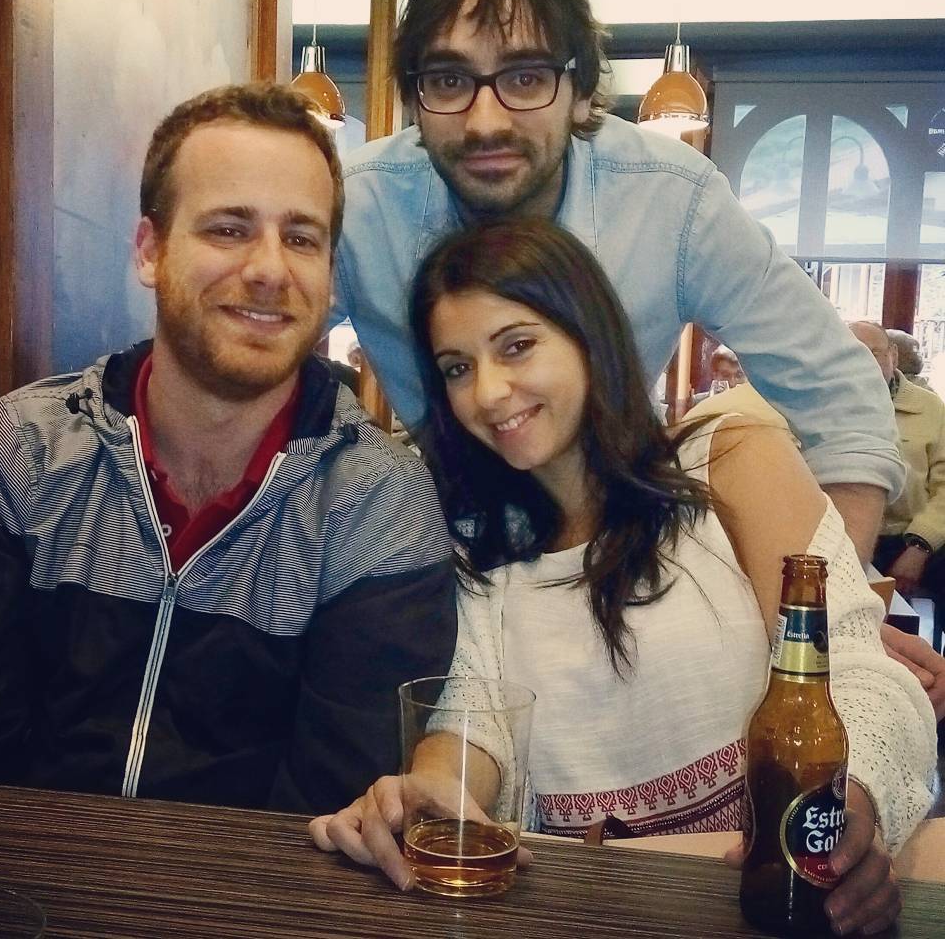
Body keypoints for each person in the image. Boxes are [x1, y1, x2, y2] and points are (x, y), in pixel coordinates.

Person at [312, 221, 937, 937]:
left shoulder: (728, 461)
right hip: (584, 909)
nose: (487, 391)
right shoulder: (478, 542)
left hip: (763, 898)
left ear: (589, 337)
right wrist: (428, 792)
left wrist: (849, 808)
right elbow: (474, 720)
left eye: (517, 346)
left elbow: (854, 668)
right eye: (457, 368)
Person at [0, 84, 457, 814]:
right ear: (150, 251)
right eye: (228, 229)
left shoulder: (380, 505)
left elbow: (333, 818)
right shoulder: (18, 452)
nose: (270, 269)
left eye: (301, 238)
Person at [331, 0, 901, 568]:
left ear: (581, 94)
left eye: (526, 77)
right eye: (447, 80)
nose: (485, 122)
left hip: (622, 551)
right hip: (437, 549)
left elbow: (841, 395)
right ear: (415, 99)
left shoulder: (671, 198)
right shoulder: (358, 207)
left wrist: (827, 607)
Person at [852, 321, 945, 607]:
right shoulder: (820, 406)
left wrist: (920, 546)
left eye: (874, 353)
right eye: (853, 354)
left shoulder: (930, 408)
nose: (864, 363)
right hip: (844, 533)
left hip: (910, 536)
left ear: (893, 355)